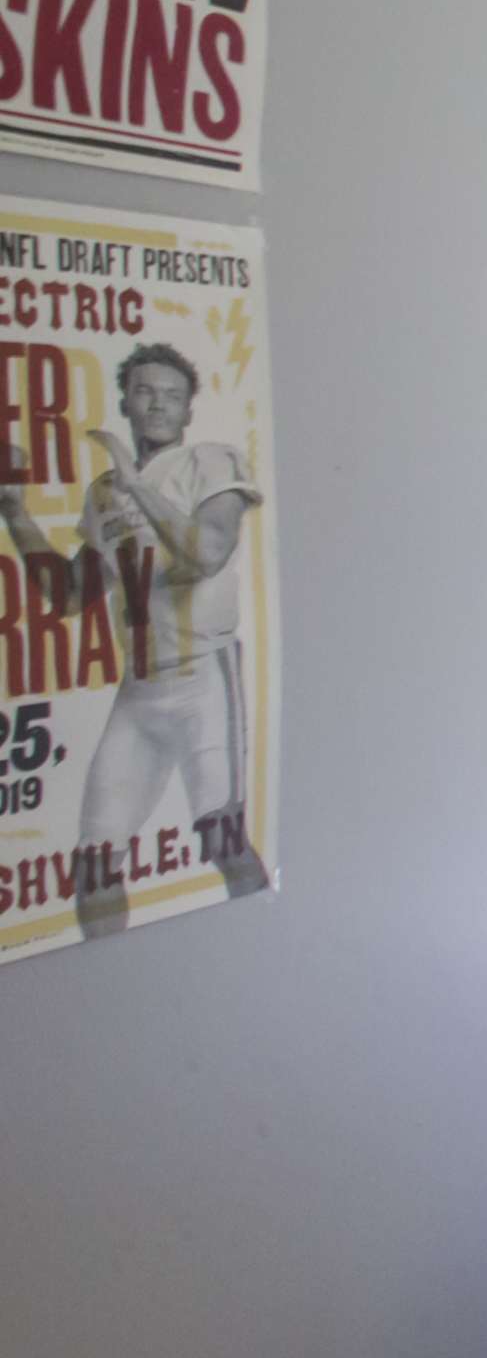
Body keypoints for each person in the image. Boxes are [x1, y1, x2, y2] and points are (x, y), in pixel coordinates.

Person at [0, 340, 268, 923]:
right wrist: (14, 512)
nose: (157, 405)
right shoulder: (104, 491)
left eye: (172, 396)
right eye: (146, 391)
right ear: (126, 398)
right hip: (138, 691)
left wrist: (138, 484)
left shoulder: (210, 462)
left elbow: (207, 554)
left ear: (189, 411)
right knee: (93, 865)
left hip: (203, 679)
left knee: (224, 842)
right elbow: (68, 595)